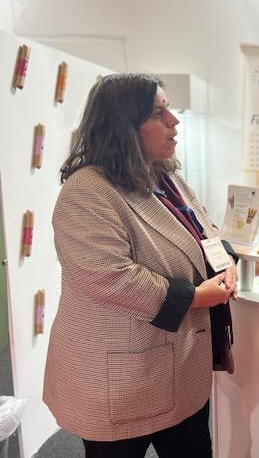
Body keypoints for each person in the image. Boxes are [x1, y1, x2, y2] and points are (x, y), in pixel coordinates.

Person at [43, 74, 238, 457]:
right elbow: (109, 277)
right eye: (158, 113)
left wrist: (224, 260)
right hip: (121, 378)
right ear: (123, 126)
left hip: (180, 367)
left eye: (169, 109)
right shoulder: (87, 191)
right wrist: (197, 296)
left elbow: (203, 227)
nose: (174, 121)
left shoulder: (166, 175)